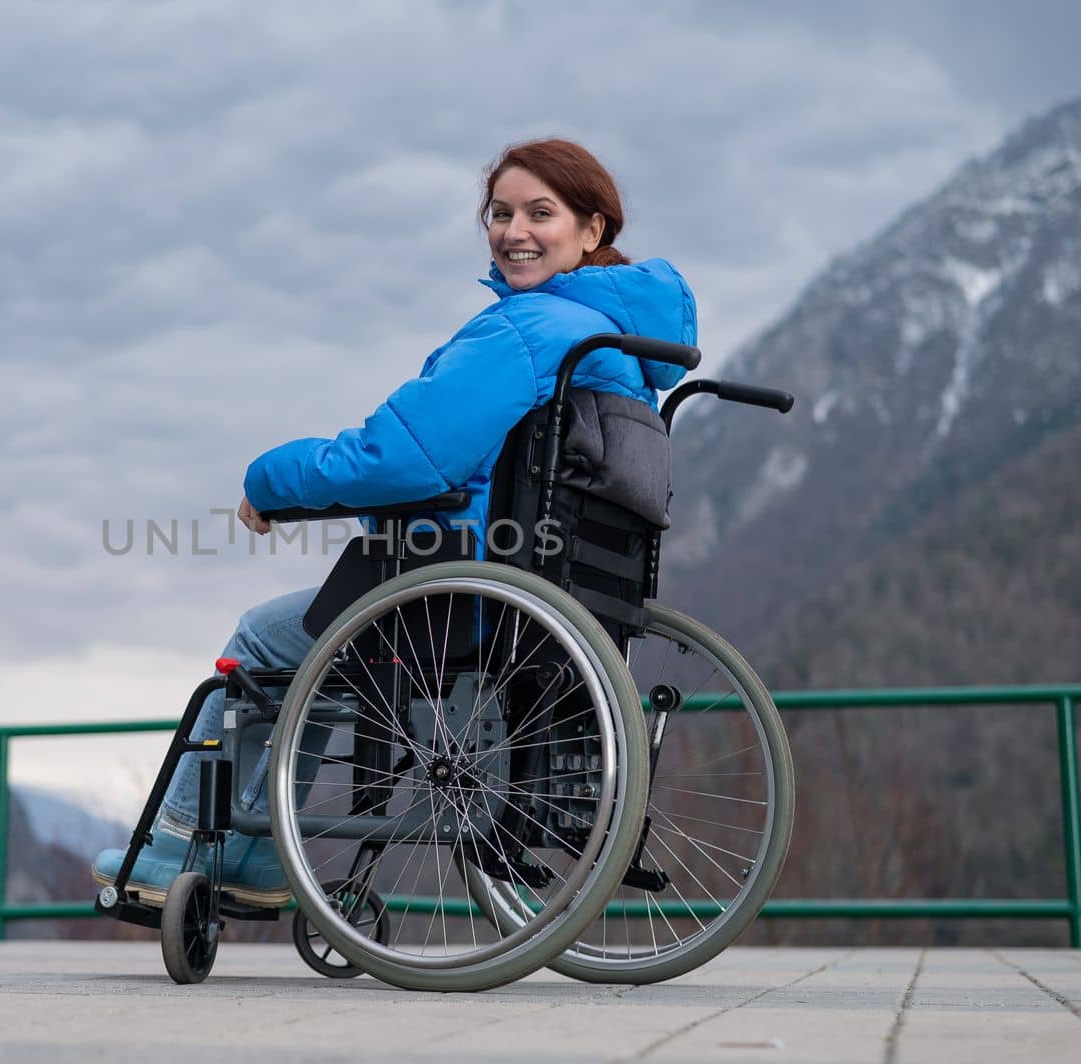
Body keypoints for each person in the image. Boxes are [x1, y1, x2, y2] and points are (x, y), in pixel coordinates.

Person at [91, 137, 696, 907]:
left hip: (464, 593)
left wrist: (269, 481)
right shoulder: (624, 355)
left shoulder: (528, 328)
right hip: (563, 598)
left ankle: (183, 844)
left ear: (593, 230)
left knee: (263, 643)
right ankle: (257, 855)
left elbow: (405, 458)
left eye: (541, 213)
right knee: (306, 639)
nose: (515, 231)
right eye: (501, 213)